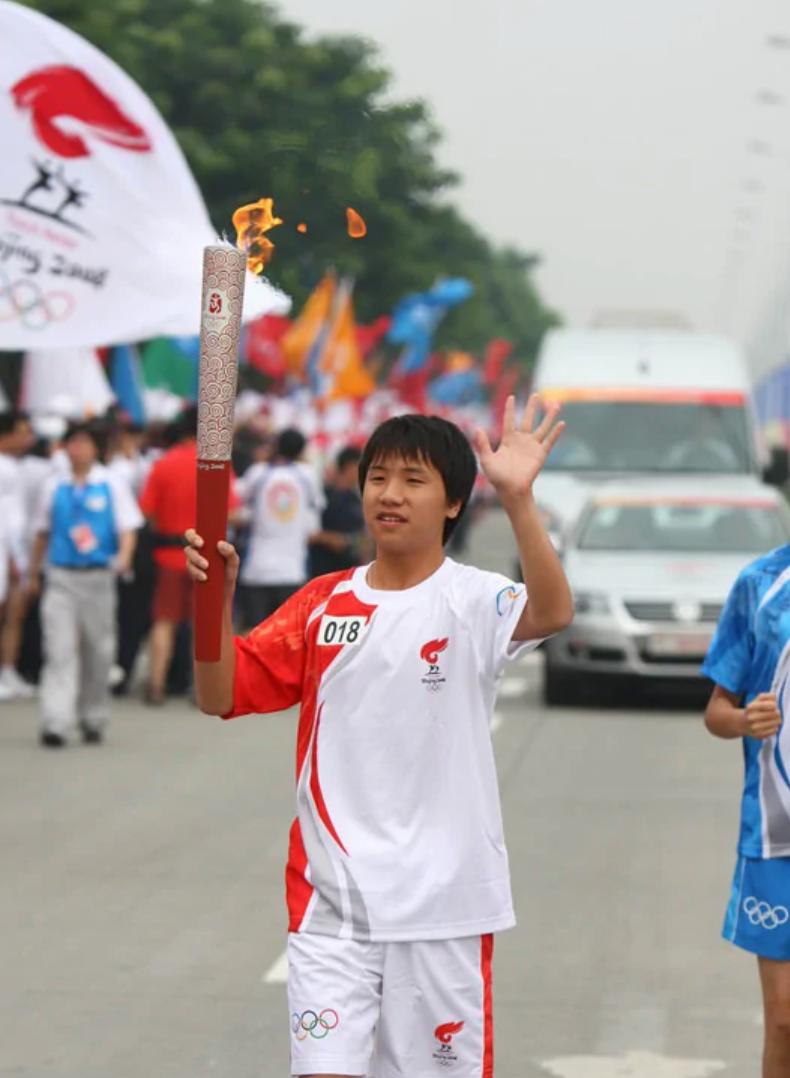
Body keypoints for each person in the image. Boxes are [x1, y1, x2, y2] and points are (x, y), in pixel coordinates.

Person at [185, 397, 574, 1077]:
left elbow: (552, 610)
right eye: (378, 478)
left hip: (444, 904)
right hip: (332, 900)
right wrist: (212, 601)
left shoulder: (472, 599)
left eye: (414, 481)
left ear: (453, 503)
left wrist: (518, 500)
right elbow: (220, 694)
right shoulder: (321, 605)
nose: (390, 495)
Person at [702, 540, 790, 1078]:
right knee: (783, 1019)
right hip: (776, 837)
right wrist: (744, 722)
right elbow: (716, 711)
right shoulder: (761, 584)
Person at [29, 421, 143, 747]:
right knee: (59, 650)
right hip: (61, 577)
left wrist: (124, 556)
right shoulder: (54, 486)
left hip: (98, 577)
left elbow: (128, 528)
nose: (76, 449)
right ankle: (56, 721)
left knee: (99, 650)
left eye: (83, 442)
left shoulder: (111, 483)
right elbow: (42, 532)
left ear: (97, 448)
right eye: (72, 443)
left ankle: (93, 716)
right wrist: (33, 573)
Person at [139, 406, 240, 704]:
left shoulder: (163, 464)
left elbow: (147, 511)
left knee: (164, 621)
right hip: (207, 556)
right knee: (204, 624)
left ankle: (156, 685)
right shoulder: (217, 464)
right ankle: (201, 689)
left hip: (169, 554)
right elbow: (232, 511)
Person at [235, 427, 323, 630]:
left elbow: (238, 505)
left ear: (275, 446)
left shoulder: (257, 474)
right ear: (302, 451)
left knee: (253, 635)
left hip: (257, 569)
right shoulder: (308, 476)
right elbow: (313, 522)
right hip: (292, 571)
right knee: (287, 637)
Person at [0, 410, 35, 700]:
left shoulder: (16, 466)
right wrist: (13, 556)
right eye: (22, 431)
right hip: (6, 550)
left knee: (15, 616)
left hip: (14, 550)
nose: (28, 438)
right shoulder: (6, 468)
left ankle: (8, 670)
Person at [308, 445, 366, 578]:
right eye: (359, 467)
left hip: (350, 572)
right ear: (349, 467)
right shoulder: (324, 497)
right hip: (325, 571)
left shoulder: (356, 500)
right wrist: (330, 539)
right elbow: (312, 533)